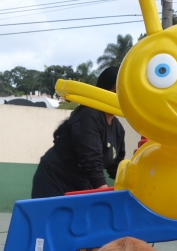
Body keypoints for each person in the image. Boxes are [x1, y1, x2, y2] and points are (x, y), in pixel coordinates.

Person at [31, 67, 126, 198]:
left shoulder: (118, 129)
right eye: (117, 92)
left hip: (81, 183)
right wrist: (105, 194)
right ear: (105, 91)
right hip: (56, 181)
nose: (123, 97)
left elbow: (117, 167)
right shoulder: (89, 115)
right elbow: (91, 161)